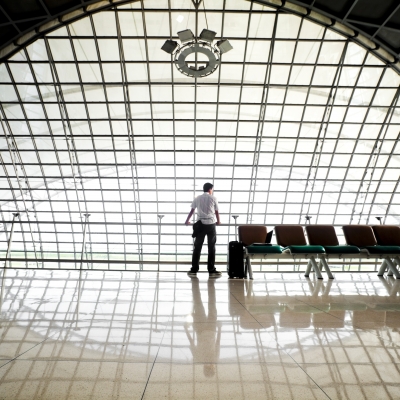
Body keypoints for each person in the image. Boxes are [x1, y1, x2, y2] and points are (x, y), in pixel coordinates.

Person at [185, 182, 222, 277]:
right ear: (210, 189)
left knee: (197, 247)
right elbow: (217, 211)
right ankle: (211, 270)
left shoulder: (197, 198)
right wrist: (218, 221)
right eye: (212, 189)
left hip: (200, 225)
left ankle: (194, 269)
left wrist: (187, 220)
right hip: (211, 224)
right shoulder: (214, 198)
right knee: (211, 248)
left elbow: (192, 210)